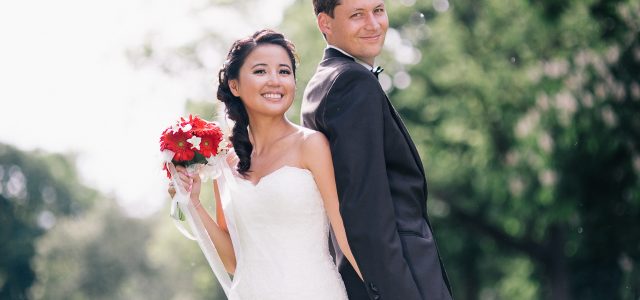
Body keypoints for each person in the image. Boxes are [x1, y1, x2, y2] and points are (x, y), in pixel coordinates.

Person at [169, 29, 358, 299]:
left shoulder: (311, 145)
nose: (274, 81)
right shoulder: (225, 160)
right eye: (260, 71)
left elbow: (347, 238)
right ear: (234, 86)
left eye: (284, 71)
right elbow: (233, 261)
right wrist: (193, 202)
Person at [301, 0, 453, 299]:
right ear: (325, 23)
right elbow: (365, 208)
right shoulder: (351, 81)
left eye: (379, 10)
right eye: (357, 14)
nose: (373, 24)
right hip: (403, 278)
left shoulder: (322, 82)